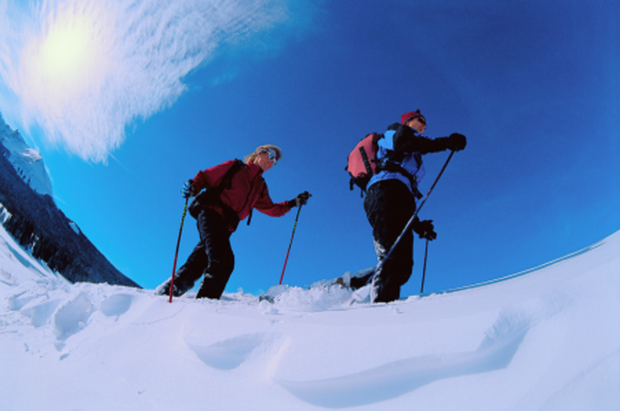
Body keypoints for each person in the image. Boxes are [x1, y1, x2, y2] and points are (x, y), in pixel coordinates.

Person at [156, 145, 311, 299]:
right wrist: (193, 187)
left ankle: (169, 291)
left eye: (275, 162)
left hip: (226, 226)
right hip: (211, 213)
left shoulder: (260, 187)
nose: (271, 162)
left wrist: (293, 203)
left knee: (201, 259)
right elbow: (205, 177)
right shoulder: (235, 168)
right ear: (260, 152)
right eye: (270, 156)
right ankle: (205, 304)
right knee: (223, 261)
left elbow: (272, 209)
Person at [363, 110, 466, 303]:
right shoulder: (395, 133)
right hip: (383, 192)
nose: (424, 126)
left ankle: (353, 287)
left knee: (403, 267)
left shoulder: (415, 157)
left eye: (425, 124)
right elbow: (405, 143)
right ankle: (379, 313)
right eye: (421, 120)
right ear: (408, 120)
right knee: (391, 257)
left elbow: (405, 194)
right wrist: (445, 143)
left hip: (398, 198)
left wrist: (419, 226)